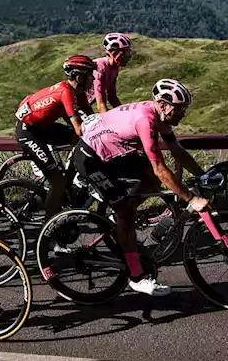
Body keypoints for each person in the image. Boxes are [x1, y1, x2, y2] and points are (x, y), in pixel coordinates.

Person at [73, 79, 210, 297]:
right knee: (126, 214)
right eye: (180, 109)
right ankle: (136, 277)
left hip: (114, 151)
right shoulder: (145, 121)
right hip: (91, 159)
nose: (183, 114)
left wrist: (203, 175)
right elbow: (160, 168)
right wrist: (191, 199)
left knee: (149, 182)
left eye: (184, 109)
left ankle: (119, 215)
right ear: (164, 104)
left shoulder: (159, 115)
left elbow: (177, 151)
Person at [16, 54, 95, 219]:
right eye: (90, 75)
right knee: (57, 183)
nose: (93, 78)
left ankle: (70, 181)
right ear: (79, 77)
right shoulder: (66, 92)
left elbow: (92, 118)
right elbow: (79, 128)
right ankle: (50, 226)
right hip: (28, 131)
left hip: (43, 127)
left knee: (79, 140)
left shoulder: (79, 92)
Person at [91, 33, 132, 113]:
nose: (129, 56)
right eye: (126, 53)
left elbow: (112, 97)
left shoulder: (114, 68)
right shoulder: (100, 67)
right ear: (114, 54)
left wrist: (125, 114)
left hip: (85, 106)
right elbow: (101, 104)